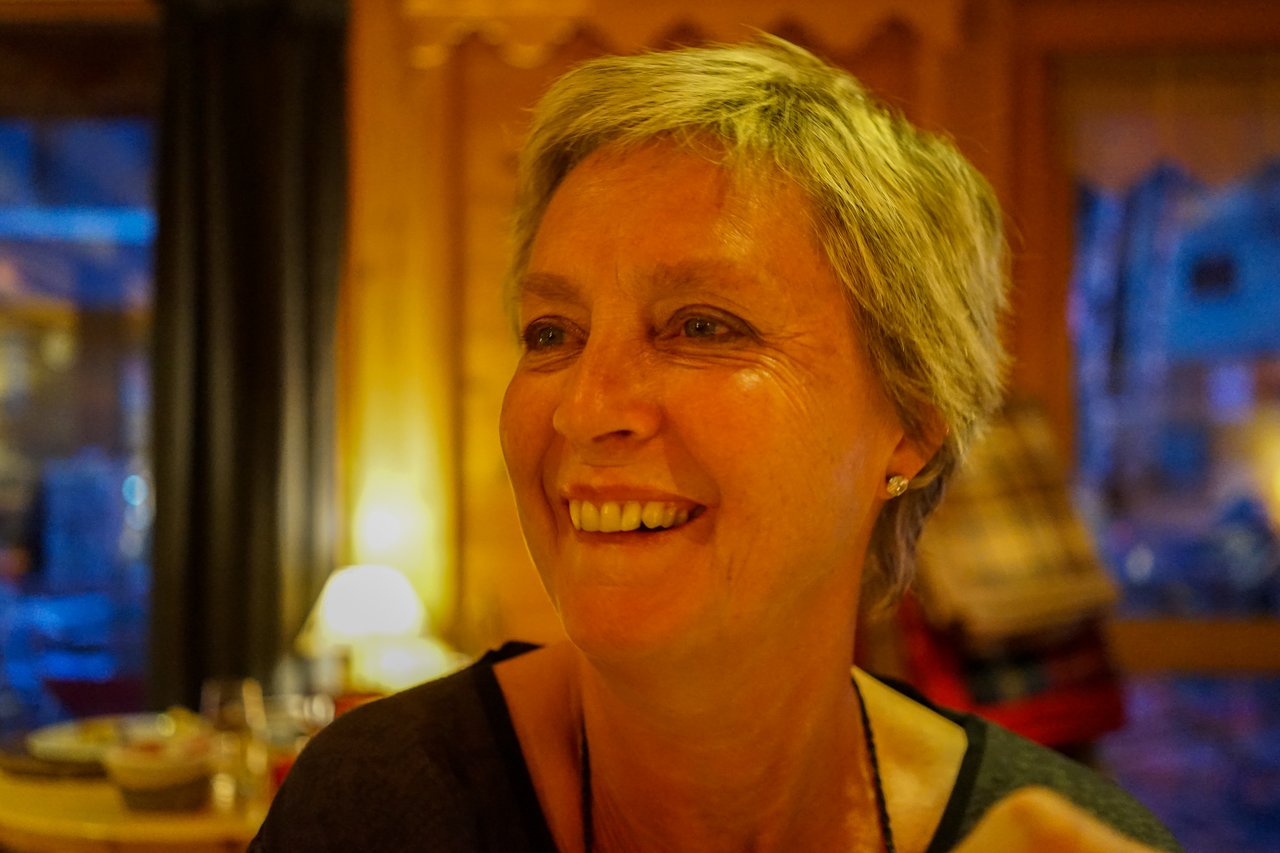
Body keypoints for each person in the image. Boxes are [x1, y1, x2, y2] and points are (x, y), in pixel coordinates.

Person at [252, 37, 1181, 852]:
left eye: (702, 326)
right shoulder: (379, 801)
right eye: (551, 332)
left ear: (914, 427)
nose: (585, 407)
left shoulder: (1062, 832)